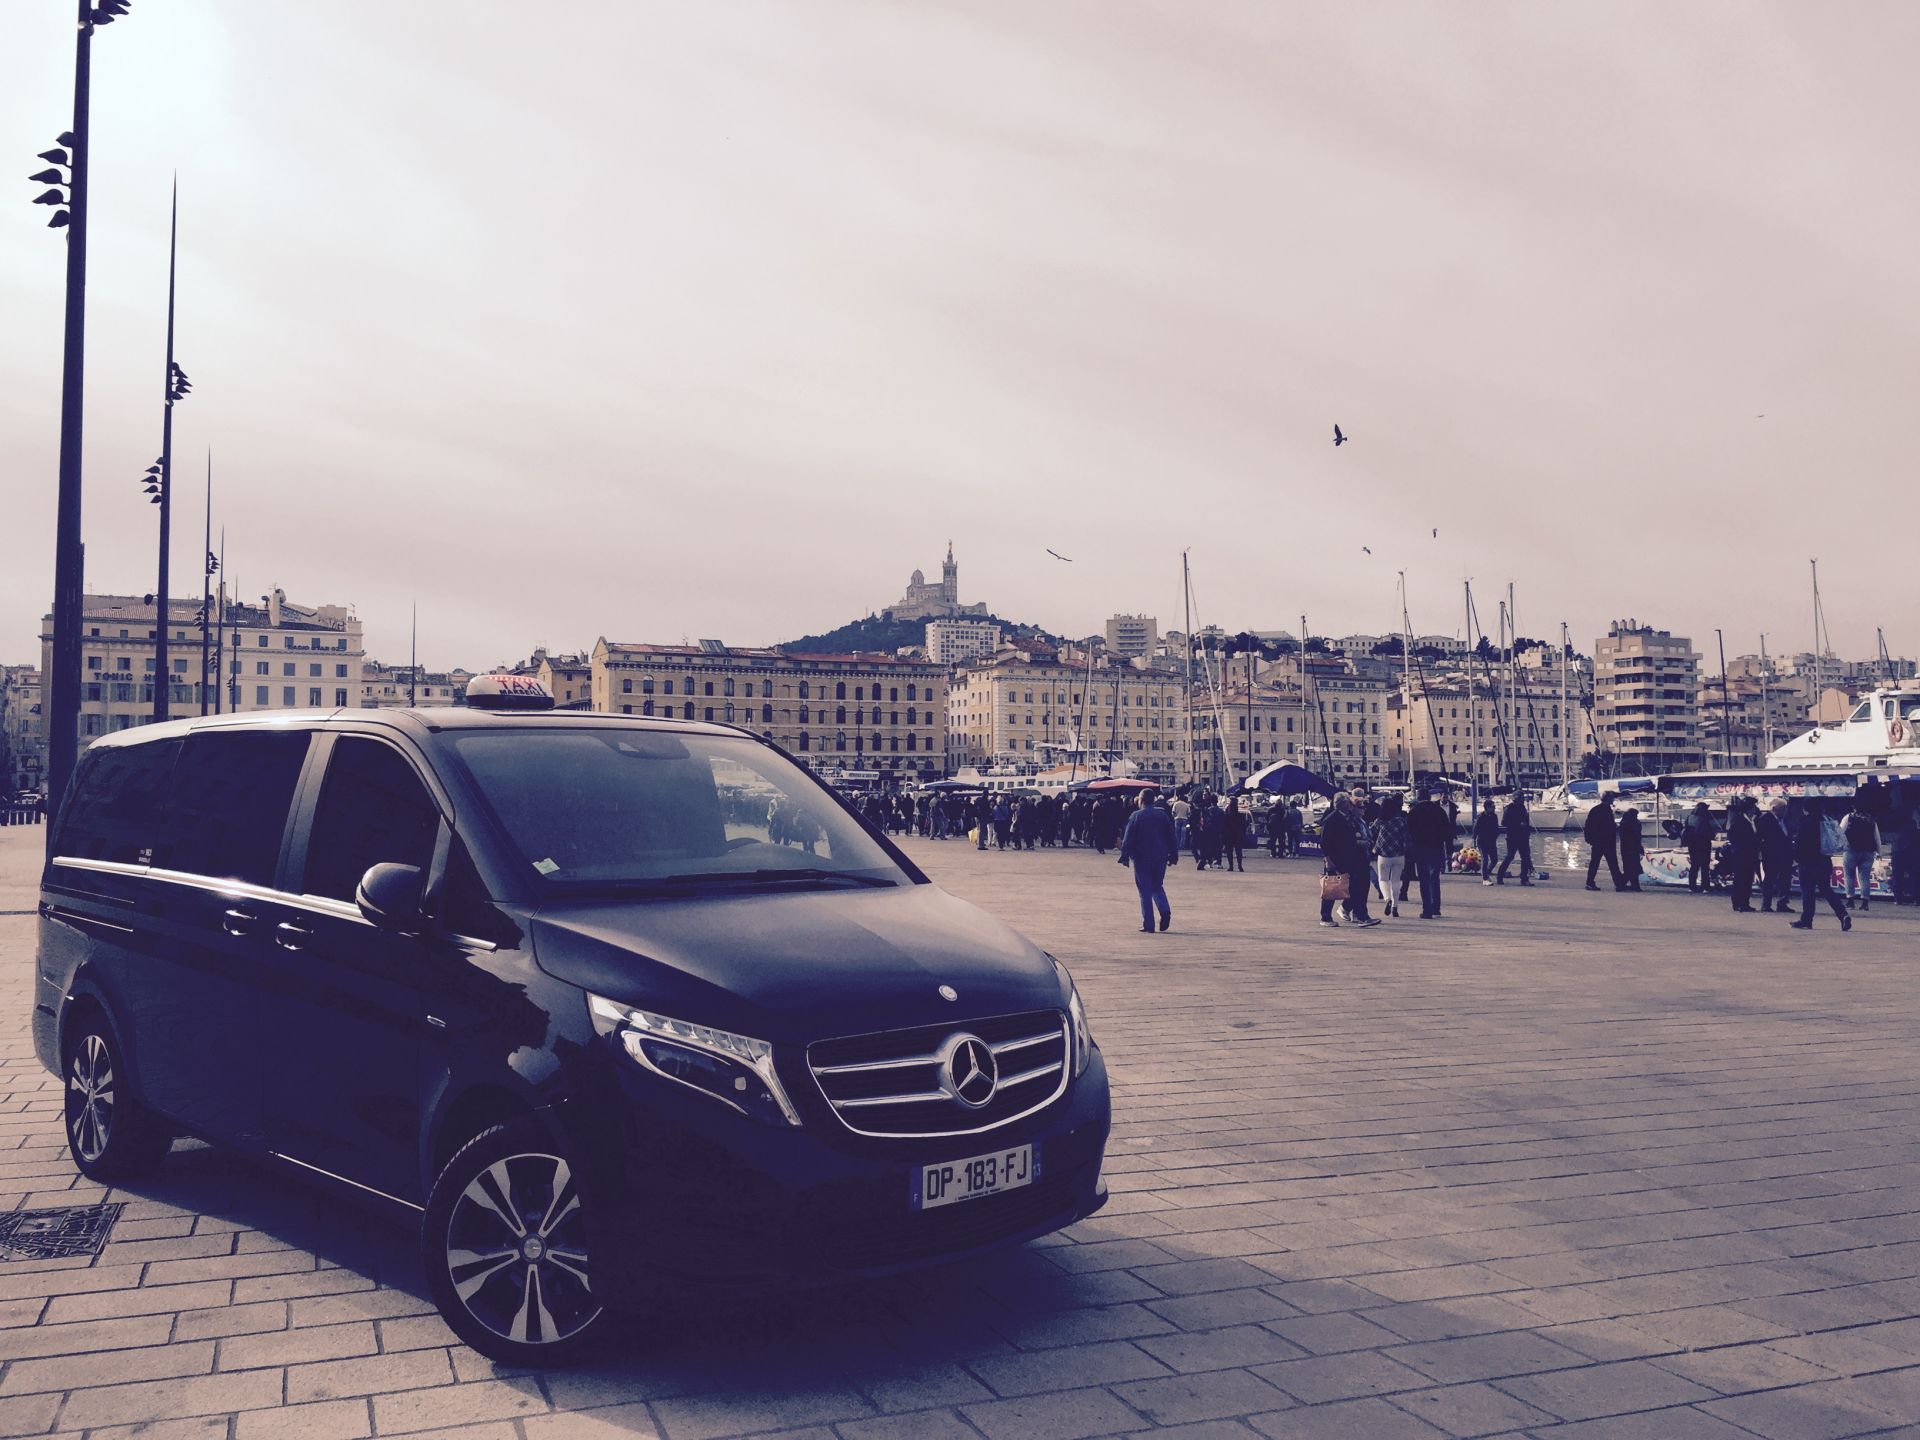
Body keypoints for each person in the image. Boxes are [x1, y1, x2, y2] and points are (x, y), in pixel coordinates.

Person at [1117, 789, 1177, 933]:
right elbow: (1171, 836)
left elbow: (1128, 837)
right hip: (1160, 856)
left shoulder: (1136, 816)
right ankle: (1165, 910)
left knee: (1144, 890)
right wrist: (1173, 855)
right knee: (1157, 885)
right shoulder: (1162, 815)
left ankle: (1149, 924)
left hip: (1141, 857)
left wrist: (1124, 856)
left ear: (1141, 800)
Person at [1319, 793, 1377, 927]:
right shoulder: (1332, 819)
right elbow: (1324, 842)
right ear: (1342, 804)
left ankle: (1362, 916)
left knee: (1355, 888)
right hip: (1335, 859)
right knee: (1332, 888)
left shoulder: (1348, 819)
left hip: (1349, 858)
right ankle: (1325, 917)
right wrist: (1328, 860)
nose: (1350, 805)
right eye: (1348, 802)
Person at [1792, 804, 1851, 931]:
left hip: (1807, 862)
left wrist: (1797, 858)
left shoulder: (1805, 823)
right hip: (1824, 860)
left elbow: (1799, 843)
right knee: (1826, 889)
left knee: (1808, 892)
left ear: (1805, 809)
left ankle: (1807, 920)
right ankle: (1842, 914)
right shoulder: (1826, 821)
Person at [1406, 786, 1452, 919]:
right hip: (1436, 848)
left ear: (1419, 798)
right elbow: (1447, 830)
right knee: (1434, 878)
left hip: (1420, 849)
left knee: (1424, 880)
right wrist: (1446, 848)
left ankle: (1426, 910)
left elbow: (1409, 831)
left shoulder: (1414, 812)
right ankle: (1436, 908)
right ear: (1430, 797)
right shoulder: (1439, 810)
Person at [1373, 793, 1410, 918]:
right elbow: (1406, 837)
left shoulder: (1380, 820)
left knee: (1383, 879)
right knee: (1396, 881)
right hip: (1399, 854)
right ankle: (1395, 907)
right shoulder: (1401, 821)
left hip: (1383, 854)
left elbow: (1371, 831)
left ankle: (1387, 899)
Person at [1842, 799, 1881, 910]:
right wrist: (1879, 852)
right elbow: (1877, 838)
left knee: (1849, 876)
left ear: (1854, 807)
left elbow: (1840, 831)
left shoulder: (1848, 817)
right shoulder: (1871, 819)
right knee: (1864, 877)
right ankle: (1864, 903)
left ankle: (1850, 901)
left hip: (1851, 850)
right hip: (1868, 852)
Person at [1758, 799, 1794, 911]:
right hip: (1771, 855)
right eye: (1782, 809)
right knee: (1769, 879)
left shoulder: (1785, 820)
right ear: (1774, 809)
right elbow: (1760, 837)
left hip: (1786, 854)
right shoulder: (1764, 819)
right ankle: (1766, 904)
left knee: (1785, 879)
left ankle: (1782, 903)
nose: (1785, 811)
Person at [1725, 796, 1761, 912]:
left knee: (1748, 879)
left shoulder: (1753, 820)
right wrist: (1738, 848)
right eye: (1753, 807)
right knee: (1740, 879)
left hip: (1751, 854)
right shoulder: (1739, 820)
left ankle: (1745, 902)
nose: (1755, 808)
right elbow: (1732, 835)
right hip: (1740, 854)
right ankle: (1738, 903)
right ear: (1749, 808)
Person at [1583, 794, 1623, 891]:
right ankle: (1618, 883)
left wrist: (1589, 839)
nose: (1613, 800)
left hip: (1599, 841)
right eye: (1612, 798)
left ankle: (1590, 882)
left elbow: (1588, 825)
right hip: (1605, 841)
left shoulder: (1596, 810)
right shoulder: (1604, 810)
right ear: (1608, 799)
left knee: (1595, 862)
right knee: (1612, 863)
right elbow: (1593, 825)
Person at [1495, 793, 1533, 885]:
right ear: (1516, 798)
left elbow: (1525, 821)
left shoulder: (1523, 808)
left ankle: (1524, 878)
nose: (1523, 800)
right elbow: (1504, 822)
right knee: (1510, 856)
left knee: (1525, 857)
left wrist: (1527, 829)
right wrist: (1518, 824)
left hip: (1523, 836)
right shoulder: (1509, 808)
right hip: (1512, 836)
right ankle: (1499, 876)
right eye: (1521, 798)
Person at [1682, 803, 1716, 894]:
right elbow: (1709, 833)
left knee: (1694, 866)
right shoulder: (1704, 819)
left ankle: (1692, 886)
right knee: (1704, 866)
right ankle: (1705, 887)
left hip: (1692, 845)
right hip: (1704, 845)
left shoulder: (1689, 817)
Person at [1474, 799, 1501, 885]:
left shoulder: (1494, 816)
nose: (1494, 808)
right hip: (1482, 841)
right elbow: (1476, 828)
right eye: (1492, 807)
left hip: (1491, 841)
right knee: (1485, 859)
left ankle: (1487, 872)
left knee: (1495, 859)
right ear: (1487, 807)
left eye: (1494, 807)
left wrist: (1496, 835)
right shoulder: (1481, 817)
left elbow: (1496, 827)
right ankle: (1485, 878)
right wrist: (1474, 838)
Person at [1619, 807, 1645, 891]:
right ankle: (1624, 884)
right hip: (1630, 848)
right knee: (1631, 867)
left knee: (1631, 867)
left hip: (1629, 848)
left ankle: (1633, 885)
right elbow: (1634, 837)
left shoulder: (1625, 823)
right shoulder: (1629, 824)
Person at [1222, 797, 1247, 872]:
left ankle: (1231, 866)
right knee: (1238, 851)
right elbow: (1244, 824)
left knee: (1229, 851)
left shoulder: (1227, 814)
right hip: (1238, 834)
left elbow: (1223, 825)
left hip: (1229, 835)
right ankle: (1240, 866)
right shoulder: (1240, 814)